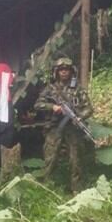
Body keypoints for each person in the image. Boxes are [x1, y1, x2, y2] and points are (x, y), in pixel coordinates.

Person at [34, 57, 91, 192]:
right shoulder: (50, 89)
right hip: (55, 127)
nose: (64, 72)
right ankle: (47, 188)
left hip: (72, 128)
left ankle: (76, 189)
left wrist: (80, 117)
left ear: (72, 71)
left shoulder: (77, 89)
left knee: (76, 160)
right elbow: (37, 104)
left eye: (67, 70)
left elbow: (89, 108)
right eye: (61, 70)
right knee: (50, 158)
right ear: (56, 72)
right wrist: (52, 107)